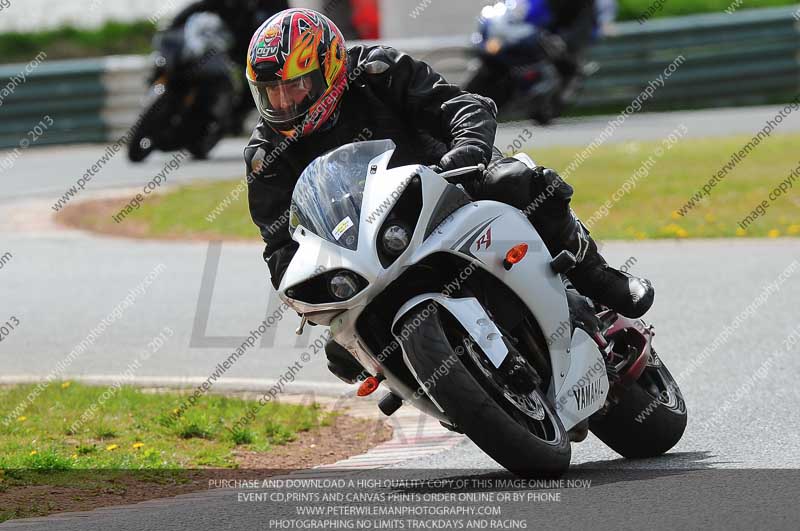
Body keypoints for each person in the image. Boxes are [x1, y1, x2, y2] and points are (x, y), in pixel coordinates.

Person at [243, 8, 654, 378]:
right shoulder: (267, 156)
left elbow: (461, 106)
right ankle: (435, 382)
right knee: (343, 351)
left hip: (448, 186)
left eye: (295, 86)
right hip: (367, 246)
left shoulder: (378, 72)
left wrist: (467, 151)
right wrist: (303, 289)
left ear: (330, 67)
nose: (283, 102)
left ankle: (597, 277)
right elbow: (280, 245)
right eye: (270, 92)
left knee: (518, 180)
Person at [169, 0, 290, 133]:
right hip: (221, 45)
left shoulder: (274, 6)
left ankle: (235, 117)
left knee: (257, 86)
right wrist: (174, 24)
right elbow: (200, 6)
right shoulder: (229, 5)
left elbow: (285, 26)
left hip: (256, 52)